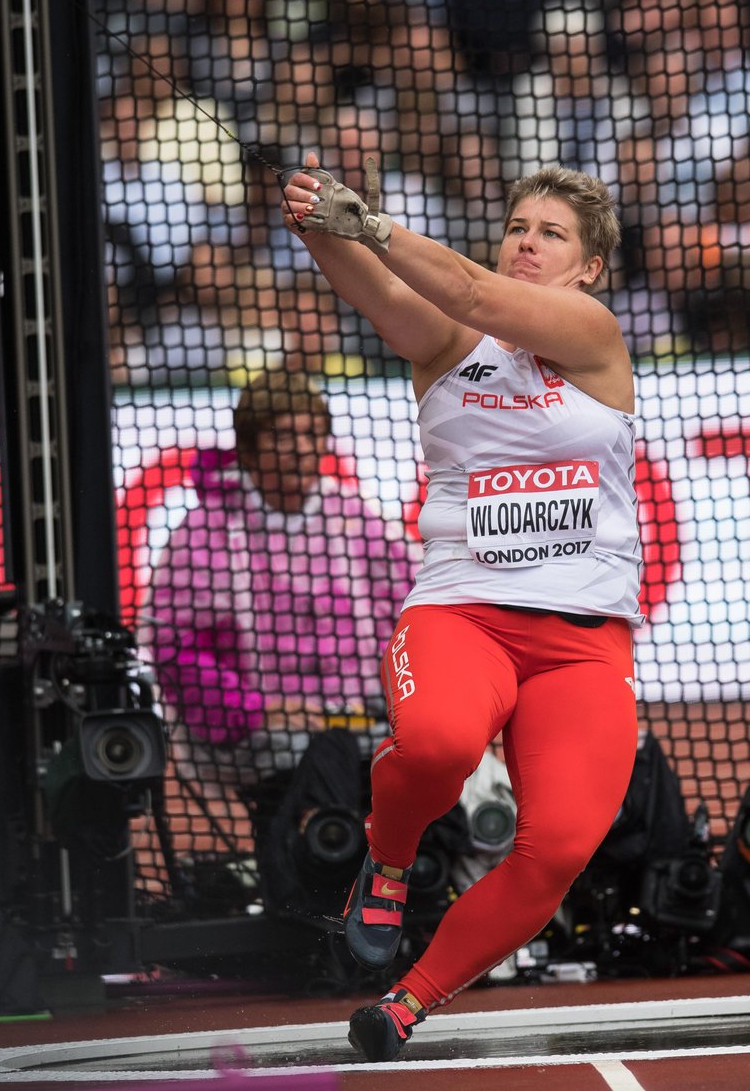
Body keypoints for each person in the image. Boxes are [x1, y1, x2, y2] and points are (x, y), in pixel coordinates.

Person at [280, 154, 643, 1060]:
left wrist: (368, 222)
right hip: (462, 615)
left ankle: (407, 1001)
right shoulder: (449, 342)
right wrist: (320, 221)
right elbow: (376, 285)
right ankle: (389, 861)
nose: (528, 242)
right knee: (437, 746)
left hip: (583, 645)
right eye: (519, 226)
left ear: (588, 267)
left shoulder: (593, 333)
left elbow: (478, 292)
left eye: (550, 234)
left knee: (557, 849)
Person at [147, 367, 418, 879]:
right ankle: (312, 890)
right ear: (248, 451)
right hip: (257, 728)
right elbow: (173, 649)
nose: (300, 448)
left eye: (310, 434)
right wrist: (259, 709)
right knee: (323, 754)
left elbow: (413, 617)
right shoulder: (205, 533)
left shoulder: (355, 518)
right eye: (282, 436)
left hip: (369, 716)